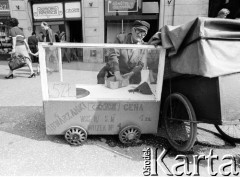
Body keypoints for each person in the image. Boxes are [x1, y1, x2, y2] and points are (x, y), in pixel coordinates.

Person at [97, 20, 150, 84]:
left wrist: (131, 74)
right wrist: (117, 74)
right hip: (113, 72)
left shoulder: (143, 46)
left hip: (130, 76)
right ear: (132, 30)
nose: (141, 35)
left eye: (144, 33)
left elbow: (141, 64)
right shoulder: (121, 39)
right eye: (138, 31)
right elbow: (113, 55)